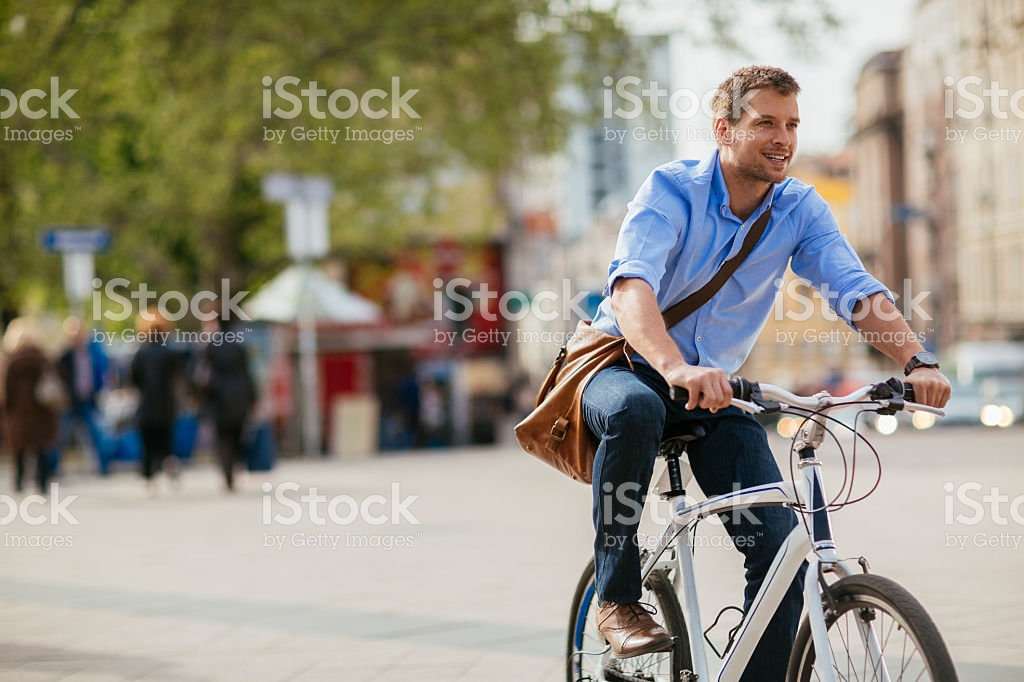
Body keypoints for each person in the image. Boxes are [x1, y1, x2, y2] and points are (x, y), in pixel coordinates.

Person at [582, 66, 951, 679]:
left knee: (779, 548)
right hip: (627, 364)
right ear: (724, 129)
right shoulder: (670, 190)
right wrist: (674, 364)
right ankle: (617, 598)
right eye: (765, 124)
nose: (783, 138)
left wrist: (917, 360)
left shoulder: (800, 207)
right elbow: (631, 286)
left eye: (792, 125)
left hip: (714, 392)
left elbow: (853, 290)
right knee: (636, 409)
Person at [192, 312, 255, 491]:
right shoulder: (239, 345)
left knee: (222, 436)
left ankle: (227, 471)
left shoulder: (210, 346)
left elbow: (201, 374)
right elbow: (248, 374)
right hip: (239, 395)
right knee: (236, 434)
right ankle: (234, 469)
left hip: (218, 396)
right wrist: (253, 398)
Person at [2, 318, 61, 494]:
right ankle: (42, 483)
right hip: (41, 409)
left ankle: (19, 483)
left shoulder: (11, 361)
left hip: (17, 413)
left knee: (18, 451)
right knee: (40, 448)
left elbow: (7, 389)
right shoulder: (43, 357)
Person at [129, 311, 182, 492]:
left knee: (148, 443)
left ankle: (148, 477)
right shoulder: (170, 352)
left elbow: (134, 378)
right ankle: (171, 471)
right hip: (166, 403)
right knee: (167, 441)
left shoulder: (141, 353)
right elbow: (178, 377)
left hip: (147, 404)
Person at [57, 316, 109, 473]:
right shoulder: (64, 356)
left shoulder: (92, 352)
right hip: (70, 401)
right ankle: (52, 467)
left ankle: (103, 466)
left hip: (88, 398)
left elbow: (101, 372)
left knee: (97, 434)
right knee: (61, 436)